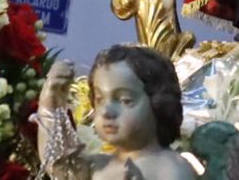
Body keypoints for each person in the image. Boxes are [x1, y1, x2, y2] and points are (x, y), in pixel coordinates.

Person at [37, 46, 196, 180]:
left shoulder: (170, 169)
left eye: (124, 100)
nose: (106, 111)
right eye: (99, 100)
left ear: (159, 103)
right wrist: (49, 107)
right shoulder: (98, 165)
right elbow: (59, 167)